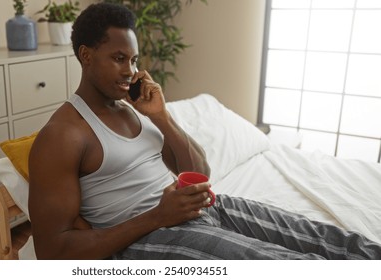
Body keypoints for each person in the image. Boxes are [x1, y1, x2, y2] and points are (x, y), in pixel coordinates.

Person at [28, 3, 381, 260]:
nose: (130, 71)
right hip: (151, 235)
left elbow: (200, 171)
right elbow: (52, 250)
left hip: (201, 208)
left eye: (134, 60)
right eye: (119, 58)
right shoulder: (63, 135)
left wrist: (162, 117)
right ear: (87, 56)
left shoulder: (132, 110)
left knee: (331, 240)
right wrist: (159, 216)